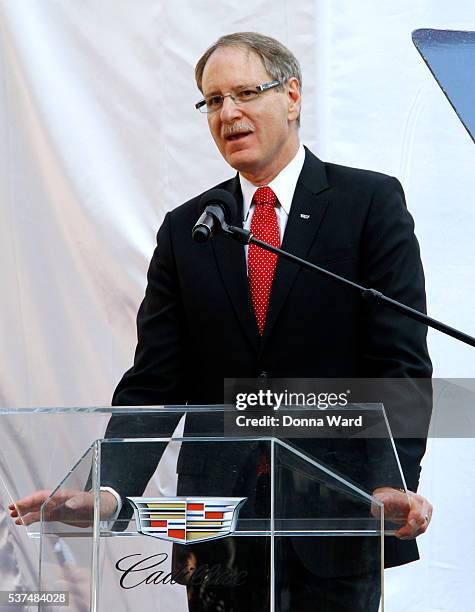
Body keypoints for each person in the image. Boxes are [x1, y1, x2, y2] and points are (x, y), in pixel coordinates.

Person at [11, 32, 433, 611]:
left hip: (337, 514)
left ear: (291, 96)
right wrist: (108, 491)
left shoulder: (368, 204)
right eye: (212, 101)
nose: (227, 113)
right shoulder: (189, 229)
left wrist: (393, 480)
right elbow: (155, 383)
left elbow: (400, 363)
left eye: (244, 93)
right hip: (218, 529)